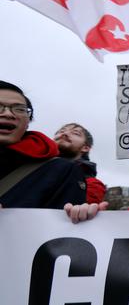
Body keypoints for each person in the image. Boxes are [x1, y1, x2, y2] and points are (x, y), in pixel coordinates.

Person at [0, 81, 86, 209]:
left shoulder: (60, 171)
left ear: (28, 122)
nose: (8, 114)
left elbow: (62, 227)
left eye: (19, 109)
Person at [54, 123, 107, 203]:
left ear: (85, 148)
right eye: (62, 131)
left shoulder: (92, 185)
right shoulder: (33, 163)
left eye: (75, 133)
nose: (65, 133)